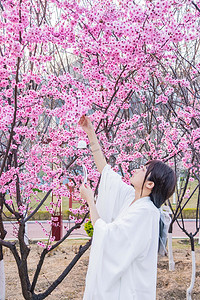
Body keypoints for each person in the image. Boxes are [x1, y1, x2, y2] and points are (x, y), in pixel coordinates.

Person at [79, 115, 176, 300]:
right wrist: (91, 134)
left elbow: (108, 236)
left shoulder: (146, 213)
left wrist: (91, 201)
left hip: (130, 289)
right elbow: (106, 173)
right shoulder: (132, 198)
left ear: (150, 184)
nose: (137, 169)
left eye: (143, 170)